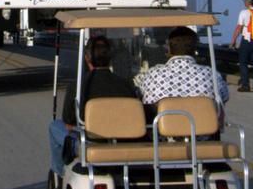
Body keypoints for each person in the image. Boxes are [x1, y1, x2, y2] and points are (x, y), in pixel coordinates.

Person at [48, 36, 135, 176]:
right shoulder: (125, 85)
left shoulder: (77, 86)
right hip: (123, 139)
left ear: (87, 58)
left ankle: (59, 176)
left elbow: (68, 124)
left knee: (54, 126)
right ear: (110, 58)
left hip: (91, 141)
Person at [134, 26, 229, 118]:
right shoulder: (211, 74)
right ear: (195, 49)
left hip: (162, 132)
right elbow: (224, 98)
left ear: (169, 49)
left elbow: (137, 89)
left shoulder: (153, 74)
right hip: (203, 132)